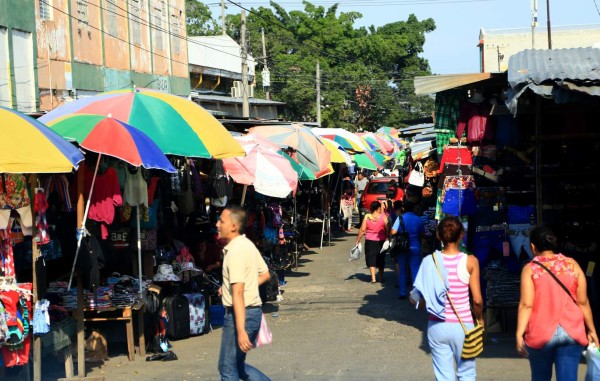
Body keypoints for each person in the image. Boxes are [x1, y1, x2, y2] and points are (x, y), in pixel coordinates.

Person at [516, 225, 598, 381]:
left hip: (540, 332)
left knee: (540, 377)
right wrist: (591, 329)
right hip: (571, 331)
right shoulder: (572, 264)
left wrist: (519, 333)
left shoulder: (530, 269)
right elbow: (583, 301)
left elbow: (526, 304)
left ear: (532, 247)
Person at [410, 216, 484, 381]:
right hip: (464, 325)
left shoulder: (429, 262)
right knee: (467, 373)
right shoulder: (470, 261)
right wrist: (479, 319)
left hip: (437, 325)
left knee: (444, 376)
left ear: (438, 235)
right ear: (461, 235)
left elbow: (417, 299)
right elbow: (477, 300)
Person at [216, 205, 271, 381]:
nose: (217, 224)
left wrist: (240, 330)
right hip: (251, 313)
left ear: (233, 226)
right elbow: (265, 274)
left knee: (227, 368)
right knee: (237, 366)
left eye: (221, 221)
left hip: (241, 315)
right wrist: (228, 288)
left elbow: (238, 293)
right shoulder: (247, 244)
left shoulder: (235, 251)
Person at [390, 201, 424, 299]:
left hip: (402, 247)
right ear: (414, 208)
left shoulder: (400, 218)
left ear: (403, 209)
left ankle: (402, 293)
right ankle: (415, 294)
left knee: (402, 270)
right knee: (415, 270)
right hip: (415, 246)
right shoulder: (418, 219)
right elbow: (423, 233)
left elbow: (393, 231)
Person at [355, 201, 388, 284]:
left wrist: (357, 239)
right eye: (380, 207)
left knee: (371, 258)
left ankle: (373, 278)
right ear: (378, 208)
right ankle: (381, 277)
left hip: (370, 241)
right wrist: (388, 237)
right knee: (381, 259)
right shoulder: (383, 217)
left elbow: (362, 230)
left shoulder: (367, 217)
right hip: (381, 240)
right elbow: (388, 228)